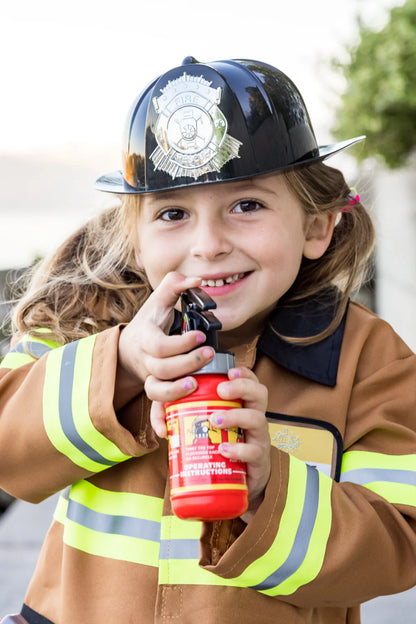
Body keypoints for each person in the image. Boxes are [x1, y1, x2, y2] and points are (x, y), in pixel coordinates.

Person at [0, 56, 415, 624]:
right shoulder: (89, 322)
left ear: (316, 225)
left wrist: (273, 491)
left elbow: (400, 542)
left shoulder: (368, 359)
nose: (209, 243)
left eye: (247, 206)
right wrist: (119, 368)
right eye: (172, 213)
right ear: (136, 239)